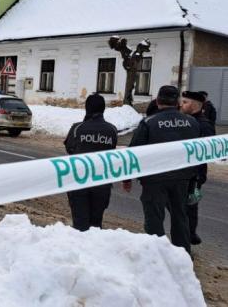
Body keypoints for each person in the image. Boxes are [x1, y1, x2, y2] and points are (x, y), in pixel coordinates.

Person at [124, 86, 199, 254]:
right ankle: (183, 256)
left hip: (154, 179)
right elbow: (198, 151)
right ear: (178, 102)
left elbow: (134, 152)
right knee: (180, 217)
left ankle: (158, 256)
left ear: (157, 102)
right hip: (182, 178)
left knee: (154, 218)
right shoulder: (192, 123)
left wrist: (127, 178)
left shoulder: (149, 123)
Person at [64, 93, 118, 231]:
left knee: (80, 225)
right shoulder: (112, 130)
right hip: (102, 183)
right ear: (103, 109)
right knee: (96, 225)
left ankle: (81, 251)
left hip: (79, 182)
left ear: (87, 108)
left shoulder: (77, 128)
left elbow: (70, 148)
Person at [181, 91, 216, 245]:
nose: (181, 105)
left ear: (194, 106)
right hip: (186, 172)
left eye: (185, 102)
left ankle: (188, 237)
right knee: (186, 206)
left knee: (190, 207)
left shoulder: (203, 125)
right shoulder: (186, 120)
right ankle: (190, 234)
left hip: (194, 174)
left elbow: (208, 151)